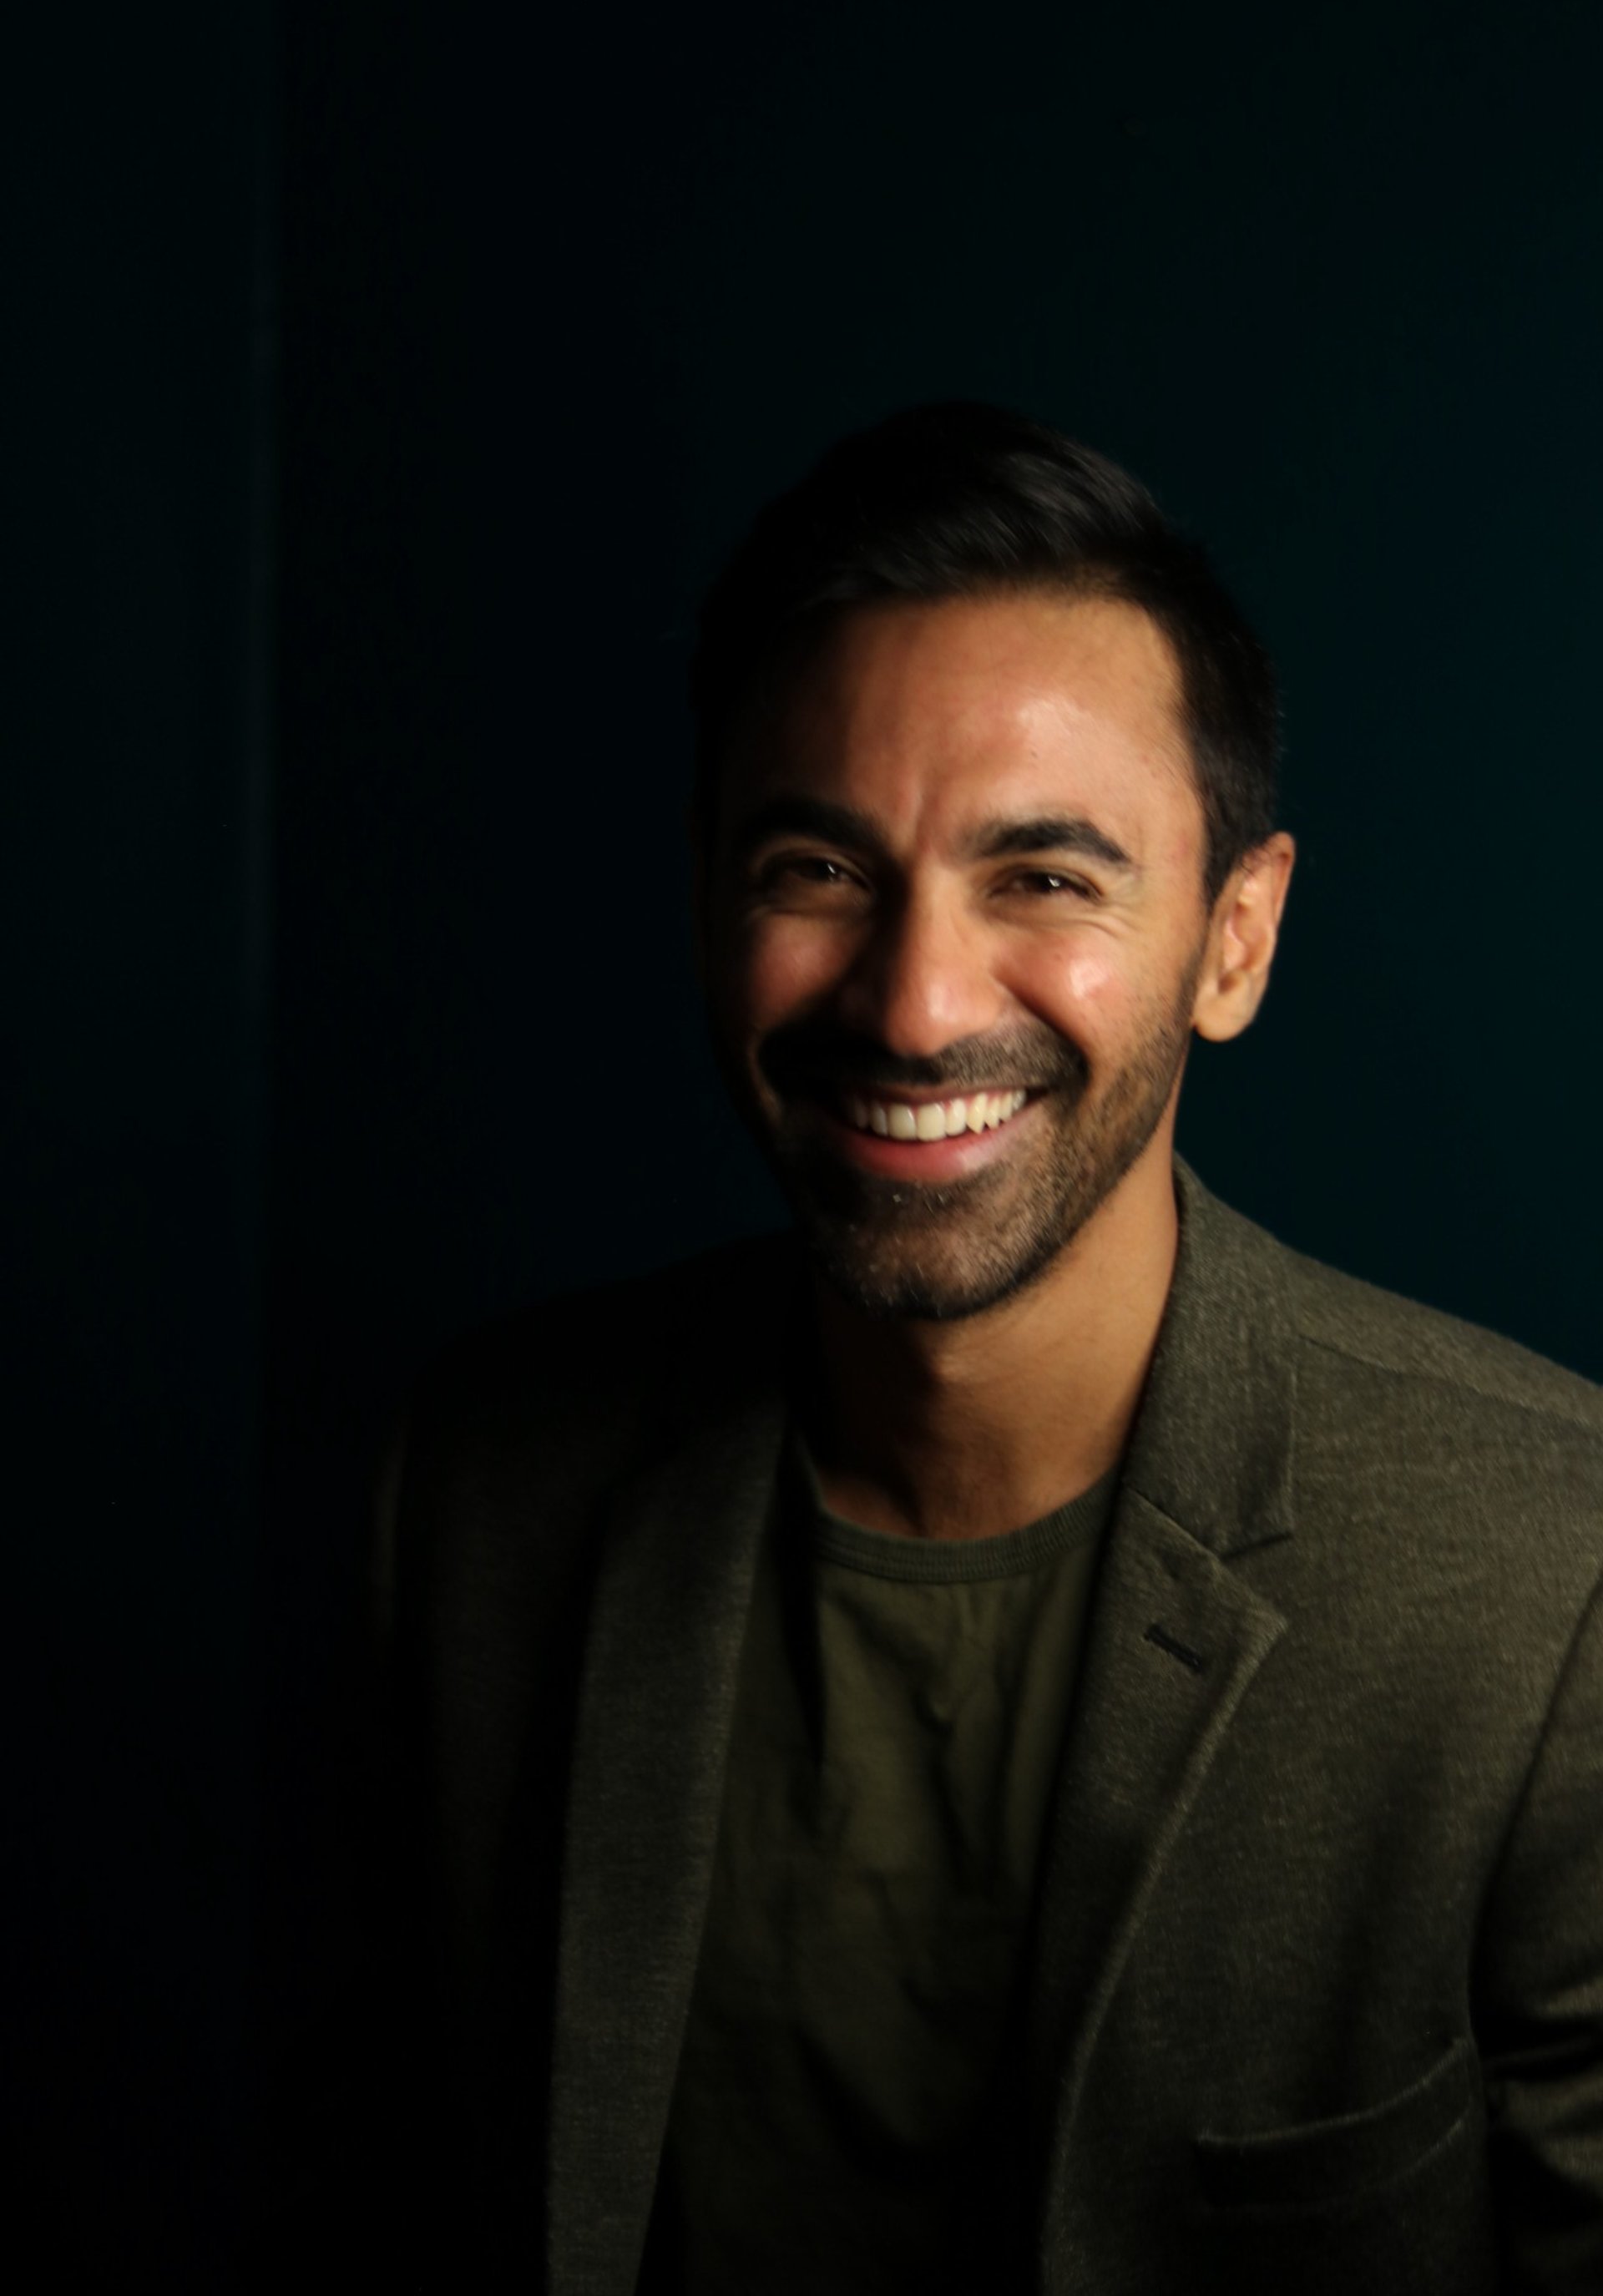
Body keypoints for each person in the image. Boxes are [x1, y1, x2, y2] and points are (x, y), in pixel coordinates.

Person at [336, 406, 1603, 2293]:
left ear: (1234, 942)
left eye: (1046, 877)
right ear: (706, 900)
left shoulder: (1547, 1572)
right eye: (817, 869)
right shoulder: (483, 1494)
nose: (916, 1006)